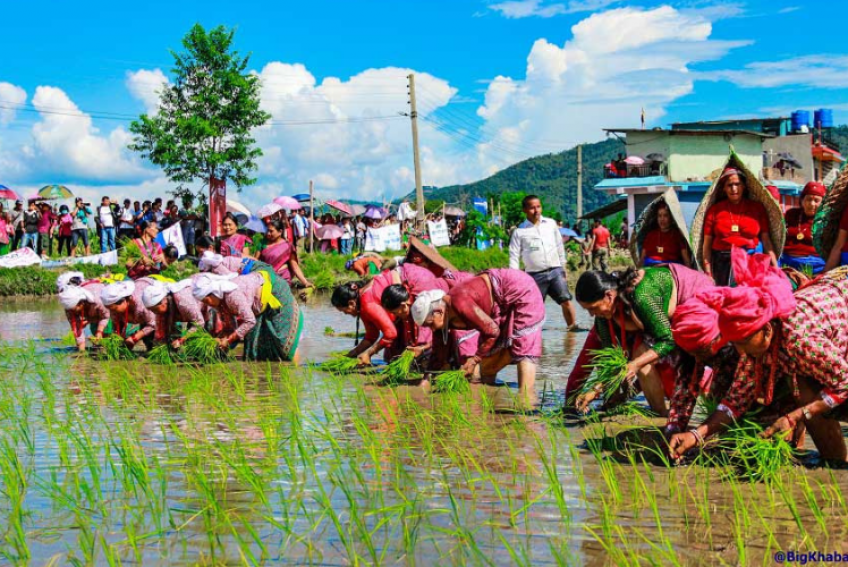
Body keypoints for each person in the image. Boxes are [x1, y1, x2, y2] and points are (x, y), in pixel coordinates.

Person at [668, 248, 848, 462]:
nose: (741, 352)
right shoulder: (754, 349)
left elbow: (844, 383)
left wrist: (794, 416)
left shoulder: (799, 338)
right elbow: (735, 401)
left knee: (809, 397)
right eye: (735, 344)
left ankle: (837, 465)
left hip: (840, 312)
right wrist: (696, 435)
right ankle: (834, 463)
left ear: (767, 330)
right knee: (804, 390)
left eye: (744, 342)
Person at [569, 263, 715, 415]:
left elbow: (668, 340)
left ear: (609, 296)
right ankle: (661, 415)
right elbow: (612, 363)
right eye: (587, 310)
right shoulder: (603, 318)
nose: (591, 314)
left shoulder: (642, 296)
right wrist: (594, 391)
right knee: (640, 354)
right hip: (661, 320)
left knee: (691, 362)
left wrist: (635, 365)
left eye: (593, 308)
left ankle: (714, 410)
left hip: (695, 300)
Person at [411, 269, 545, 406]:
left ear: (439, 311)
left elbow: (492, 332)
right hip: (498, 305)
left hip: (519, 290)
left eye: (430, 324)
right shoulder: (442, 320)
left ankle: (526, 402)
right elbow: (438, 354)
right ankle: (489, 405)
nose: (432, 329)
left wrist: (474, 359)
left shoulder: (459, 301)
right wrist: (424, 383)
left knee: (524, 346)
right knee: (486, 370)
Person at [331, 263, 441, 365]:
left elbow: (390, 333)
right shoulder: (361, 303)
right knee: (391, 355)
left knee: (420, 336)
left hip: (417, 281)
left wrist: (368, 354)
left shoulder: (367, 304)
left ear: (351, 303)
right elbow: (371, 335)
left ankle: (431, 365)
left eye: (344, 310)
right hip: (401, 291)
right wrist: (354, 353)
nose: (345, 314)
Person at [508, 194, 583, 331]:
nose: (536, 210)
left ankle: (572, 330)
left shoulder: (550, 224)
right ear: (525, 210)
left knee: (565, 300)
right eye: (532, 208)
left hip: (555, 271)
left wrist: (563, 266)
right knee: (534, 307)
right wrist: (515, 278)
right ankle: (533, 334)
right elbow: (514, 256)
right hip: (534, 275)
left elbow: (559, 245)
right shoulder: (520, 232)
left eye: (538, 206)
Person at [192, 271, 303, 361]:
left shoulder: (232, 296)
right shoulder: (219, 303)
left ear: (214, 292)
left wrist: (228, 340)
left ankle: (295, 373)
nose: (208, 304)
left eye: (207, 300)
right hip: (257, 309)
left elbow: (250, 321)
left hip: (275, 295)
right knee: (255, 352)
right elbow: (230, 327)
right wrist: (219, 341)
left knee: (284, 345)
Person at [702, 167, 776, 285]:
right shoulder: (714, 211)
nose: (734, 189)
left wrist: (775, 267)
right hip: (723, 264)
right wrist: (708, 272)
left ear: (744, 186)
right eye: (729, 185)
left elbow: (766, 241)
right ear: (724, 188)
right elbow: (707, 245)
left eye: (737, 184)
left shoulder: (757, 208)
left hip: (751, 262)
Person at [142, 277, 207, 348]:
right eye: (151, 310)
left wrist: (181, 340)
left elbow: (199, 323)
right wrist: (158, 347)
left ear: (163, 302)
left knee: (205, 340)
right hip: (193, 314)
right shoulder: (163, 308)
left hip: (207, 306)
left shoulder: (183, 301)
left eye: (155, 309)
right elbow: (160, 332)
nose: (154, 313)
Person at [780, 181, 826, 275]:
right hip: (786, 259)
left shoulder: (825, 220)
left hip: (814, 263)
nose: (812, 204)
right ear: (802, 200)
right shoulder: (791, 214)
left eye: (816, 201)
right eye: (808, 199)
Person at [57, 273, 111, 352]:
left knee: (106, 332)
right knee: (95, 334)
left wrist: (99, 331)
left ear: (81, 303)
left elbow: (106, 316)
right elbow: (76, 329)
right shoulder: (69, 308)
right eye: (70, 310)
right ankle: (99, 346)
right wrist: (81, 352)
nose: (72, 312)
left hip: (106, 308)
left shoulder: (97, 301)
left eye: (74, 309)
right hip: (92, 312)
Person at [100, 279, 158, 350]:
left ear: (124, 301)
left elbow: (153, 323)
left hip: (156, 310)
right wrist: (117, 338)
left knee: (153, 340)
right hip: (141, 313)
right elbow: (116, 325)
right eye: (109, 309)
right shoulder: (115, 309)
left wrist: (135, 338)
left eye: (114, 309)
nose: (112, 312)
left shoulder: (142, 305)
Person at [257, 219, 314, 289]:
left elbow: (294, 266)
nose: (268, 233)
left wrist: (305, 282)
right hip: (265, 279)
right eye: (267, 230)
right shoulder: (262, 243)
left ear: (280, 232)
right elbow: (255, 261)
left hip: (282, 280)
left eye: (271, 231)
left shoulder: (287, 246)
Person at [639, 202, 691, 267]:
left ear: (671, 218)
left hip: (670, 269)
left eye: (665, 215)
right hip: (651, 268)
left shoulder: (677, 236)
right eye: (659, 216)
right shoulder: (650, 235)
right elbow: (642, 259)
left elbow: (686, 259)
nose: (662, 219)